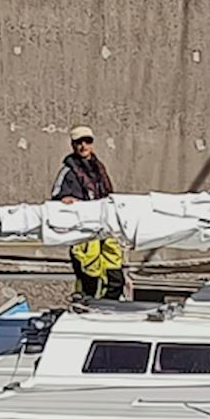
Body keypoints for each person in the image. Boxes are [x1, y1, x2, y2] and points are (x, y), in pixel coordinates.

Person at [52, 125, 128, 300]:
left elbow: (108, 195)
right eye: (79, 142)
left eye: (87, 141)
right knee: (89, 280)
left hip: (105, 231)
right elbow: (56, 197)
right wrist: (65, 200)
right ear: (73, 145)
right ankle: (87, 305)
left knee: (115, 280)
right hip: (83, 234)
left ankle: (109, 306)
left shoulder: (99, 168)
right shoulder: (67, 171)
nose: (83, 146)